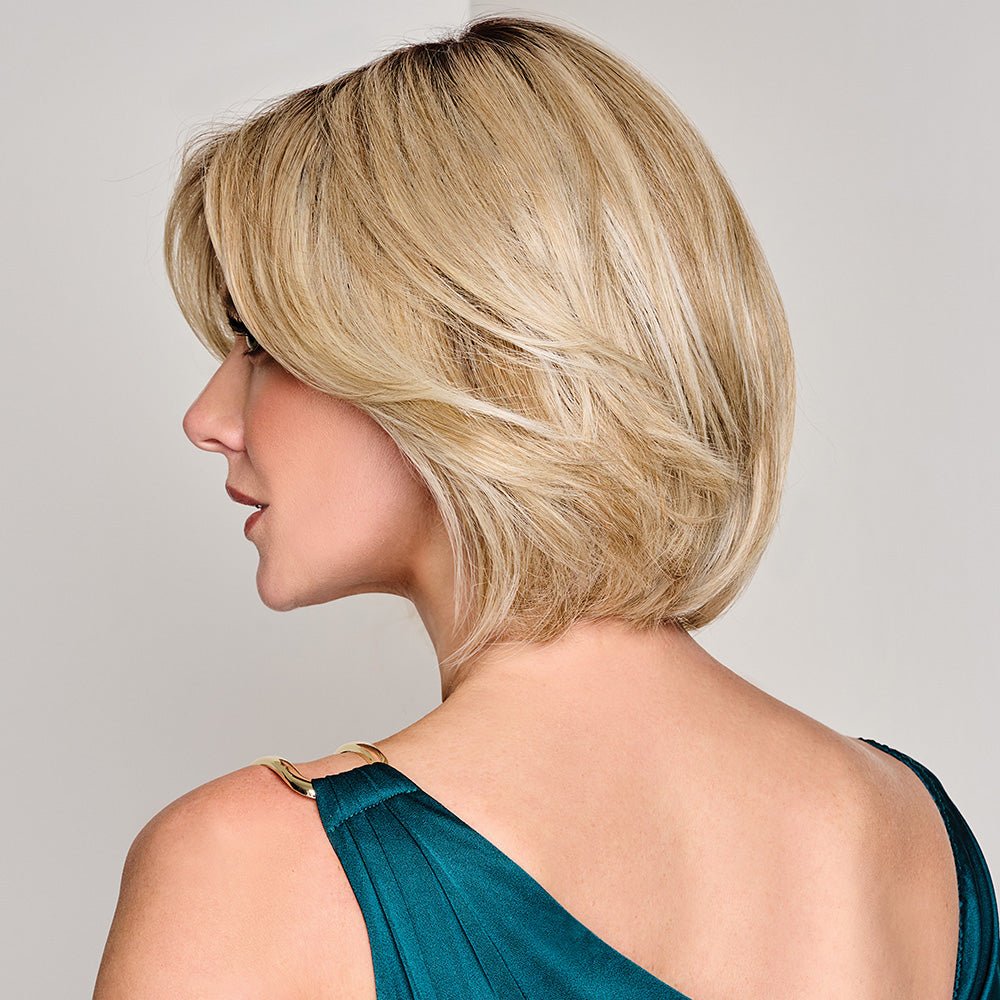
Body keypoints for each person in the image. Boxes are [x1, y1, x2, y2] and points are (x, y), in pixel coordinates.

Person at [94, 13, 998, 999]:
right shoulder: (914, 841)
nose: (208, 418)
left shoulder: (252, 869)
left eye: (261, 342)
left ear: (460, 352)